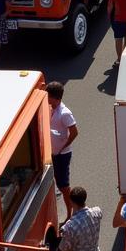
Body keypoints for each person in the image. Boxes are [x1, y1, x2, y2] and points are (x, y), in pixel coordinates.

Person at [48, 82, 78, 221]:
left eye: (48, 96)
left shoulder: (64, 113)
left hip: (61, 155)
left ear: (55, 98)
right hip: (53, 153)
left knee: (64, 186)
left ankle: (71, 213)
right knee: (57, 183)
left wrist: (62, 148)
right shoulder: (50, 108)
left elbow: (74, 132)